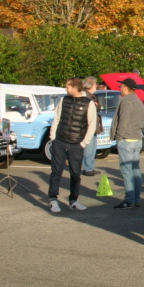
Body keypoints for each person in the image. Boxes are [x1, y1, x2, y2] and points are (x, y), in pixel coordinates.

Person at [48, 77, 98, 213]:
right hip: (60, 141)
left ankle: (73, 201)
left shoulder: (88, 103)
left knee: (75, 174)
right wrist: (53, 138)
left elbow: (92, 124)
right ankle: (53, 200)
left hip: (76, 144)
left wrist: (83, 143)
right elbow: (57, 118)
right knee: (56, 171)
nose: (66, 89)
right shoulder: (63, 100)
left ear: (75, 87)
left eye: (68, 86)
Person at [110, 78, 144, 209]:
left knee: (127, 172)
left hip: (127, 140)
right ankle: (136, 199)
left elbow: (123, 121)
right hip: (137, 139)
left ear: (125, 87)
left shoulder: (126, 101)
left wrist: (118, 138)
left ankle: (129, 200)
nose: (119, 89)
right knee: (135, 170)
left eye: (121, 87)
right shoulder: (137, 101)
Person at [81, 76, 102, 176]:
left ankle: (89, 167)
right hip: (88, 126)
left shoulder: (90, 96)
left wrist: (97, 105)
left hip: (93, 126)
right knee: (89, 148)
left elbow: (97, 108)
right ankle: (87, 168)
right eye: (94, 84)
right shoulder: (86, 96)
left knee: (92, 148)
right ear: (90, 85)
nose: (96, 86)